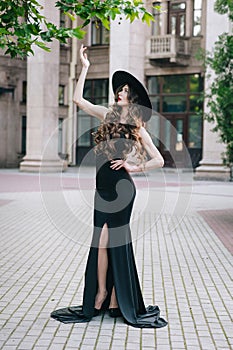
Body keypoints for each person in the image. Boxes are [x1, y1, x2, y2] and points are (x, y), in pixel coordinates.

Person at [51, 44, 167, 328]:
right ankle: (105, 293)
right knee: (100, 244)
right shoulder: (106, 114)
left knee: (111, 242)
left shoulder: (138, 128)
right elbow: (78, 99)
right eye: (120, 90)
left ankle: (109, 295)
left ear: (134, 98)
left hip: (122, 189)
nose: (121, 93)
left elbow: (160, 160)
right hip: (101, 189)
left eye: (127, 91)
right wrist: (85, 67)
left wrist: (134, 167)